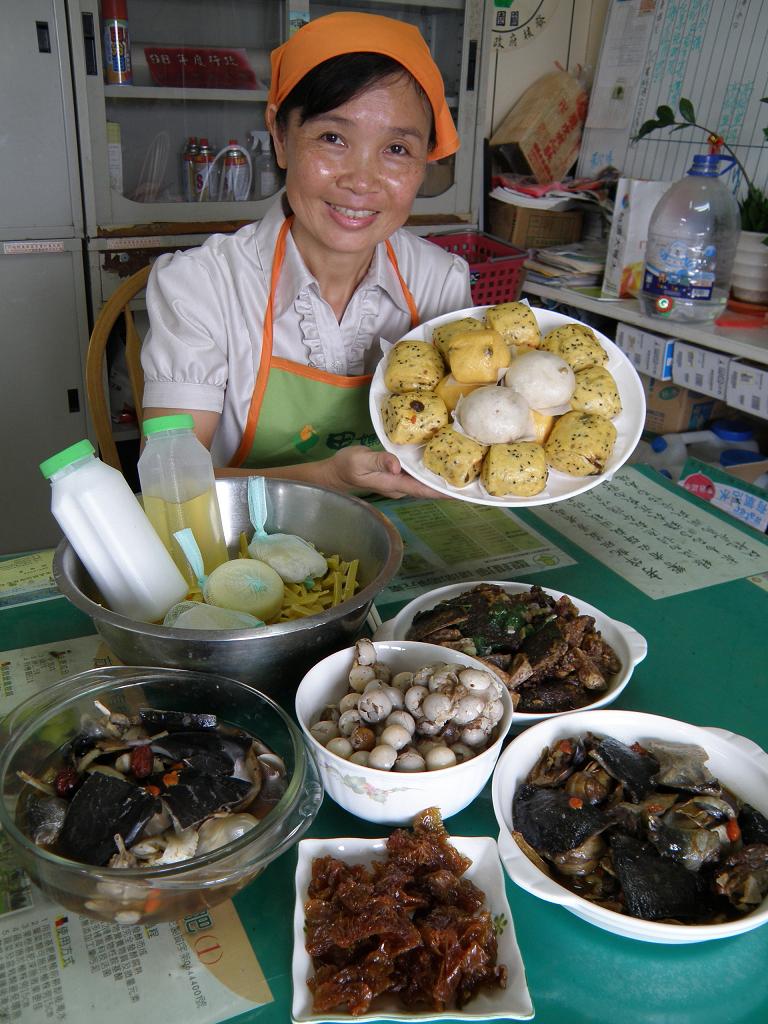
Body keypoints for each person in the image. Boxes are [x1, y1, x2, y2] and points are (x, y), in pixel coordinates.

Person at [141, 12, 471, 498]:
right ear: (279, 136)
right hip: (248, 553)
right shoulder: (199, 288)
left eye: (397, 148)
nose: (361, 181)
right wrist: (325, 479)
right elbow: (169, 485)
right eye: (333, 139)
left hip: (407, 538)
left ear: (425, 163)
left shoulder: (440, 282)